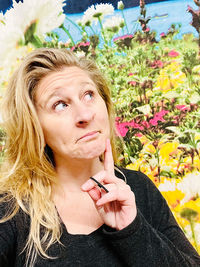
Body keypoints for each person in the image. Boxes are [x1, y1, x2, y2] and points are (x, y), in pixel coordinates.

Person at [0, 48, 199, 267]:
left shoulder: (139, 188)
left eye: (88, 95)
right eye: (60, 105)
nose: (85, 115)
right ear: (35, 128)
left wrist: (133, 229)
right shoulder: (11, 212)